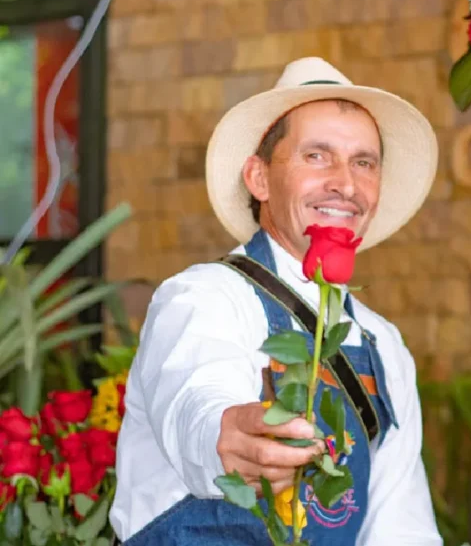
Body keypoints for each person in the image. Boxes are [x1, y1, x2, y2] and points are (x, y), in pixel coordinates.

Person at [108, 57, 443, 546]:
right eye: (317, 155)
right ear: (259, 178)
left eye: (363, 163)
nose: (346, 184)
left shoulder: (384, 345)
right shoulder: (203, 297)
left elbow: (400, 529)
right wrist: (225, 437)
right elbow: (195, 401)